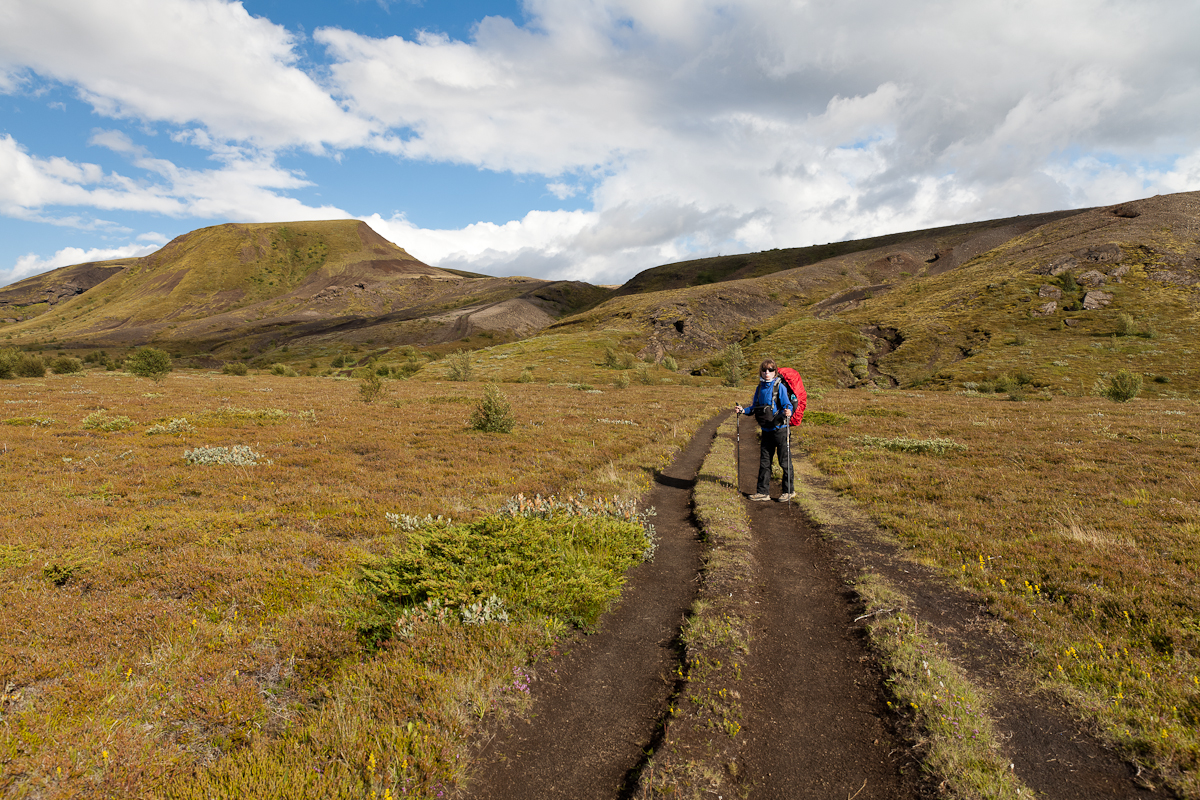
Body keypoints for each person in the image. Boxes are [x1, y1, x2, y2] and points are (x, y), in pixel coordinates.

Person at [734, 359, 794, 502]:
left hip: (780, 429)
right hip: (766, 430)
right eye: (764, 370)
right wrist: (743, 410)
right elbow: (754, 408)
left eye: (771, 370)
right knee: (765, 462)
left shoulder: (779, 387)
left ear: (775, 372)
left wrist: (788, 411)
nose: (767, 373)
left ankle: (789, 491)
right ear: (761, 371)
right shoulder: (760, 388)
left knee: (784, 462)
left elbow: (787, 404)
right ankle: (762, 492)